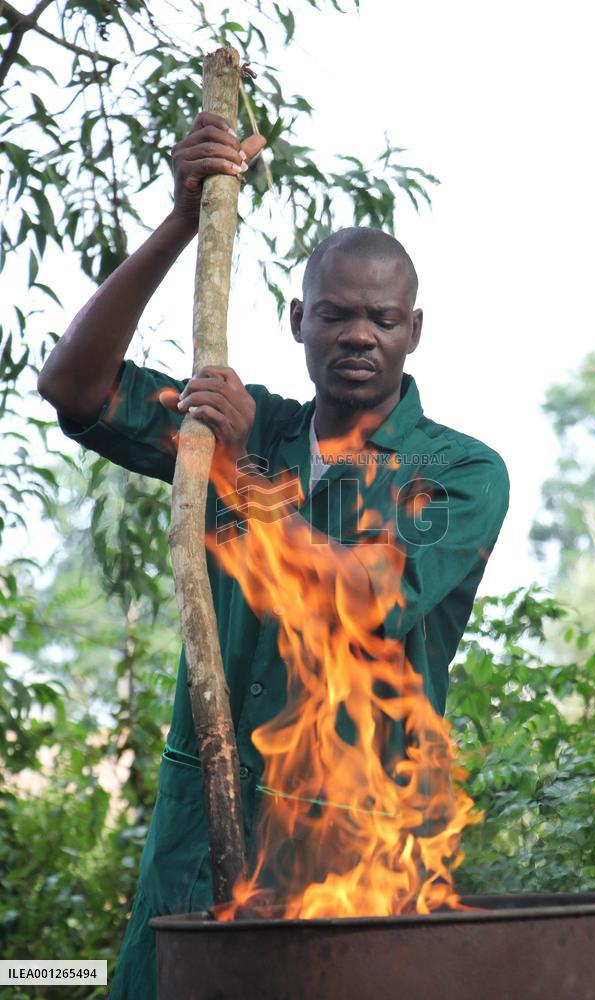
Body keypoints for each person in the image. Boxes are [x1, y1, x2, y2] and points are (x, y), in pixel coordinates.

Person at [37, 112, 510, 1000]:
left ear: (415, 331)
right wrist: (184, 218)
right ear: (299, 320)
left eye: (381, 318)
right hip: (202, 828)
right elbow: (73, 387)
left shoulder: (459, 469)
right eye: (335, 314)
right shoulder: (249, 422)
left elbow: (362, 601)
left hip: (349, 850)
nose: (358, 334)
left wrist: (245, 477)